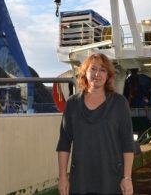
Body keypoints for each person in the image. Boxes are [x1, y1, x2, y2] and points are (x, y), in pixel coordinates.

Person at [56, 53, 135, 195]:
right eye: (93, 69)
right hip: (80, 180)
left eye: (103, 70)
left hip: (111, 181)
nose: (97, 74)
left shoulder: (119, 103)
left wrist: (127, 177)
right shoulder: (72, 104)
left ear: (108, 75)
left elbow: (127, 143)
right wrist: (62, 177)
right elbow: (64, 143)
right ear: (84, 73)